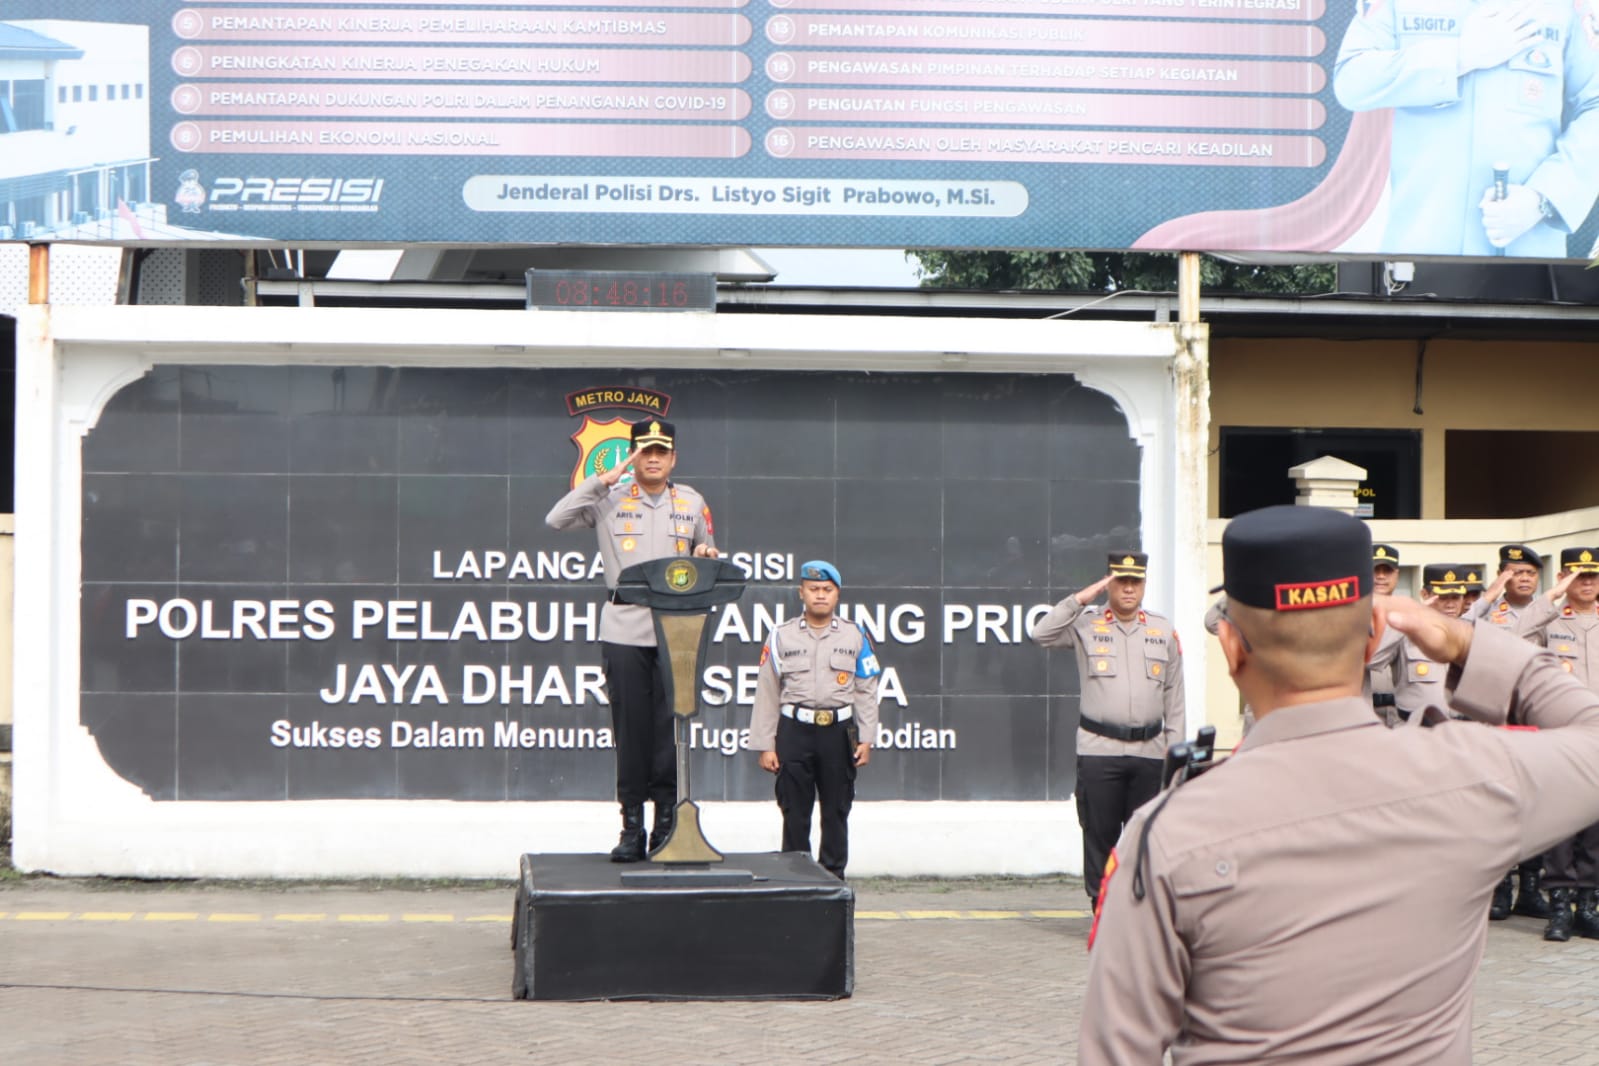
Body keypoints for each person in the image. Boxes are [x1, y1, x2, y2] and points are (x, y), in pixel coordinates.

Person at [1082, 505, 1599, 1065]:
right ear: (1376, 630)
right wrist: (1466, 643)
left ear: (1230, 647)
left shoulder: (1166, 834)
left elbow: (1116, 1052)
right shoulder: (1475, 779)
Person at [545, 419, 719, 863]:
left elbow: (707, 552)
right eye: (645, 452)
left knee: (667, 730)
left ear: (674, 457)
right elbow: (556, 519)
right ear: (634, 456)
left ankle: (666, 825)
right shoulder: (609, 499)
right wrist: (599, 481)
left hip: (674, 628)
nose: (654, 458)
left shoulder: (692, 502)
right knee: (631, 730)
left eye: (662, 451)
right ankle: (631, 827)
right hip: (624, 626)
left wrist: (704, 554)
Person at [1333, 0, 1599, 257]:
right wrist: (1459, 56)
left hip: (1528, 249)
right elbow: (1352, 80)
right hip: (1420, 252)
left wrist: (1542, 198)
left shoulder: (1569, 5)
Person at [1029, 552, 1184, 906]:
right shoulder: (1087, 623)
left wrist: (1175, 752)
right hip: (1100, 751)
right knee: (1099, 836)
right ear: (1110, 583)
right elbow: (1041, 634)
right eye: (1121, 581)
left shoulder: (1161, 630)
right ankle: (1102, 909)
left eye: (1136, 582)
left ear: (1144, 585)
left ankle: (1142, 910)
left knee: (1149, 836)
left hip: (1149, 751)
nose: (1129, 589)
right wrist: (1083, 598)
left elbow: (1175, 696)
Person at [748, 561, 882, 879]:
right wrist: (766, 744)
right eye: (813, 589)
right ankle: (795, 880)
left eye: (827, 590)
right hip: (795, 731)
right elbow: (767, 691)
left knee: (836, 810)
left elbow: (866, 689)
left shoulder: (854, 635)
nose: (820, 595)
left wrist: (867, 738)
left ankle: (833, 880)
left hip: (838, 732)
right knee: (795, 811)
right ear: (801, 593)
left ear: (837, 595)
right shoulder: (782, 635)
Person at [1514, 547, 1599, 940]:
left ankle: (1588, 906)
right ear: (1564, 576)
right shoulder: (1550, 620)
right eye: (1579, 576)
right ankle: (1560, 908)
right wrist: (1551, 597)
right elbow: (1516, 637)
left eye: (1593, 576)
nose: (1587, 583)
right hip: (1562, 734)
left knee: (1596, 826)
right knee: (1562, 823)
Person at [1476, 544, 1552, 921]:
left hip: (1538, 716)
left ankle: (1531, 888)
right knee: (1503, 801)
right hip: (1499, 715)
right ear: (1502, 575)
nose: (1524, 579)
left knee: (1536, 803)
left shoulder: (1553, 612)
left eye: (1530, 573)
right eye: (1516, 572)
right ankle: (1502, 888)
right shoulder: (1488, 613)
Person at [1367, 562, 1471, 722]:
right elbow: (1372, 660)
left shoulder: (1470, 633)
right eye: (1443, 597)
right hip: (1416, 730)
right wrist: (1406, 621)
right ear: (1425, 595)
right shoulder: (1407, 633)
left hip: (1461, 729)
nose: (1451, 604)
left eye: (1456, 597)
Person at [1369, 543, 1402, 722]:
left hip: (1401, 716)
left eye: (1387, 571)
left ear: (1397, 575)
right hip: (1367, 713)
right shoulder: (1353, 616)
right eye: (1375, 570)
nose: (1381, 576)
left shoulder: (1410, 614)